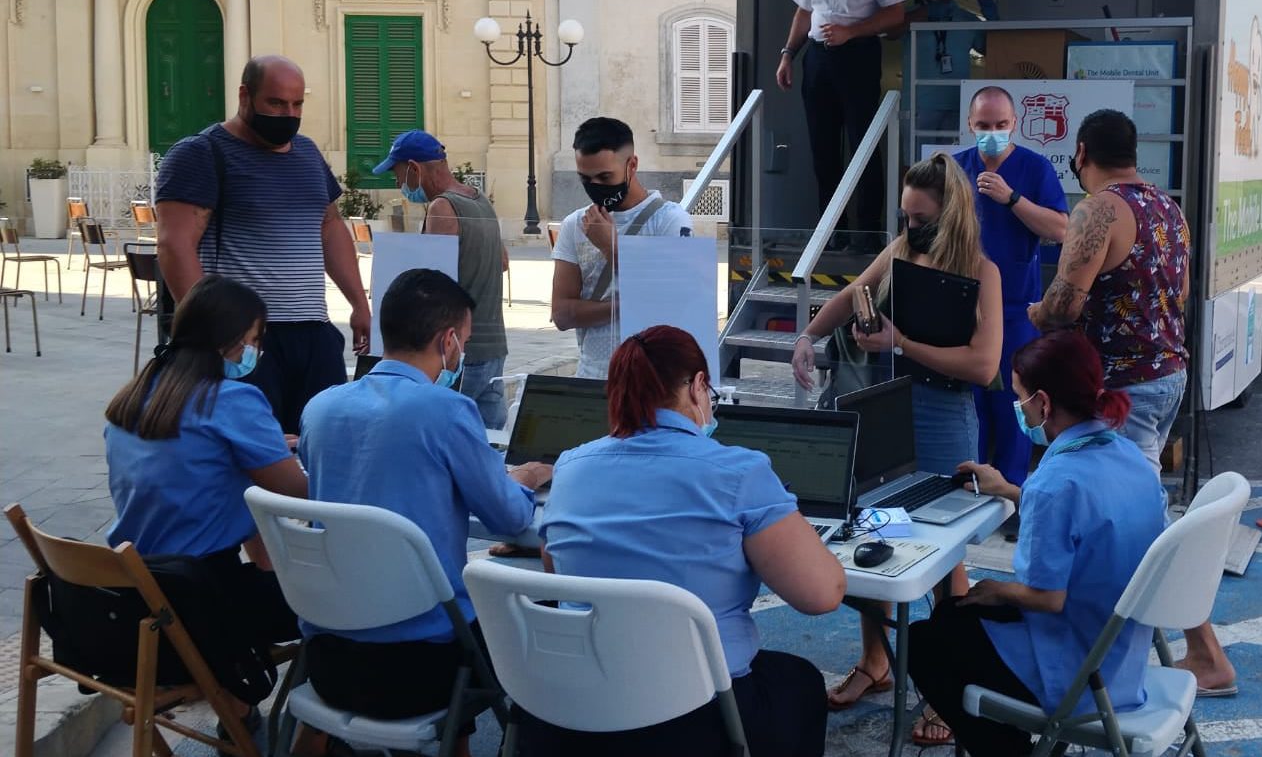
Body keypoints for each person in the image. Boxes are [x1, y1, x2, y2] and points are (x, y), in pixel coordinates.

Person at [536, 325, 845, 757]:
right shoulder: (740, 472)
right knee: (801, 682)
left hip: (577, 707)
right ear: (699, 386)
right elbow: (822, 594)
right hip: (696, 716)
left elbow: (556, 572)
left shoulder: (570, 467)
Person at [1029, 109, 1235, 696]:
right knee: (1137, 507)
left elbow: (1065, 307)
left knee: (1136, 519)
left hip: (1122, 387)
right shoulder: (1168, 209)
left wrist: (1033, 315)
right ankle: (1187, 648)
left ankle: (1198, 653)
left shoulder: (1098, 209)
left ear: (1082, 153)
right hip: (1165, 374)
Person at [789, 152, 1002, 719]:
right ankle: (875, 660)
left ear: (950, 214)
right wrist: (807, 336)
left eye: (920, 218)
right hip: (885, 410)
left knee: (943, 551)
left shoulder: (982, 271)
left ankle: (951, 687)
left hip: (942, 415)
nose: (909, 227)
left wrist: (901, 343)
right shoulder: (902, 250)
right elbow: (850, 293)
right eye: (905, 216)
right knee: (870, 531)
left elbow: (984, 367)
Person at [297, 269, 550, 727]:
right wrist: (525, 477)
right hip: (425, 663)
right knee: (537, 607)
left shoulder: (320, 407)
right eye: (465, 341)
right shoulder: (446, 410)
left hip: (327, 655)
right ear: (448, 341)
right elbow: (509, 517)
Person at [906, 329, 1166, 755]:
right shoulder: (1125, 454)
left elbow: (1047, 598)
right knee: (954, 614)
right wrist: (1010, 490)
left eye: (1020, 396)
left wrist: (997, 589)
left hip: (1076, 667)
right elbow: (1082, 515)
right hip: (1122, 654)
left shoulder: (1053, 483)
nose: (1019, 409)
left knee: (924, 642)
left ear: (1043, 403)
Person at [103, 275, 307, 732]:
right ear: (232, 340)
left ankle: (237, 711)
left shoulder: (134, 398)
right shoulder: (232, 400)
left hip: (132, 596)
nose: (256, 351)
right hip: (199, 605)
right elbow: (297, 492)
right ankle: (314, 732)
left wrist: (263, 448)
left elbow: (195, 471)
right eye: (254, 339)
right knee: (336, 599)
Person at [155, 55, 370, 435]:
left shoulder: (307, 153)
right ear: (244, 95)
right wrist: (214, 335)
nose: (288, 114)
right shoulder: (201, 154)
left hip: (313, 336)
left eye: (297, 104)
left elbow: (330, 226)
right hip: (245, 340)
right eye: (276, 103)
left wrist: (359, 304)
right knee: (252, 455)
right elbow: (175, 245)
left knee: (320, 445)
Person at [953, 87, 1070, 490]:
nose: (992, 133)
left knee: (1014, 408)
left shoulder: (1034, 169)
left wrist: (1012, 198)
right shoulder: (954, 170)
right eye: (983, 125)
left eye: (1001, 125)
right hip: (963, 310)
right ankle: (966, 489)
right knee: (968, 408)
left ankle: (1013, 496)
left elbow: (1061, 229)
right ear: (970, 124)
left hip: (1015, 310)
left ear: (1014, 124)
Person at [776, 0, 907, 232]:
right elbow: (805, 11)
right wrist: (788, 54)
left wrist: (854, 31)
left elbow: (895, 14)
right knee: (823, 146)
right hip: (818, 59)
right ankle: (831, 228)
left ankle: (867, 228)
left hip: (858, 55)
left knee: (862, 143)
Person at [374, 129, 511, 429]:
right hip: (494, 344)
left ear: (414, 168)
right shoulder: (480, 201)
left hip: (459, 353)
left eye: (398, 175)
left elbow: (433, 285)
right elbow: (502, 261)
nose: (398, 184)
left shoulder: (442, 207)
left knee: (441, 436)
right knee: (489, 443)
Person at [551, 117, 694, 379]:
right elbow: (562, 314)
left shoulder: (670, 220)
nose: (597, 186)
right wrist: (631, 303)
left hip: (653, 378)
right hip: (593, 374)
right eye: (586, 178)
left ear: (632, 165)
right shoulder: (575, 224)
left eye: (606, 176)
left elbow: (673, 305)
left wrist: (611, 247)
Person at [887, 0, 991, 133]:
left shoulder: (965, 19)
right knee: (917, 160)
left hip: (957, 103)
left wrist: (995, 26)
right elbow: (890, 33)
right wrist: (924, 13)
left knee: (953, 160)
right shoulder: (910, 15)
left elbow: (988, 50)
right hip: (919, 104)